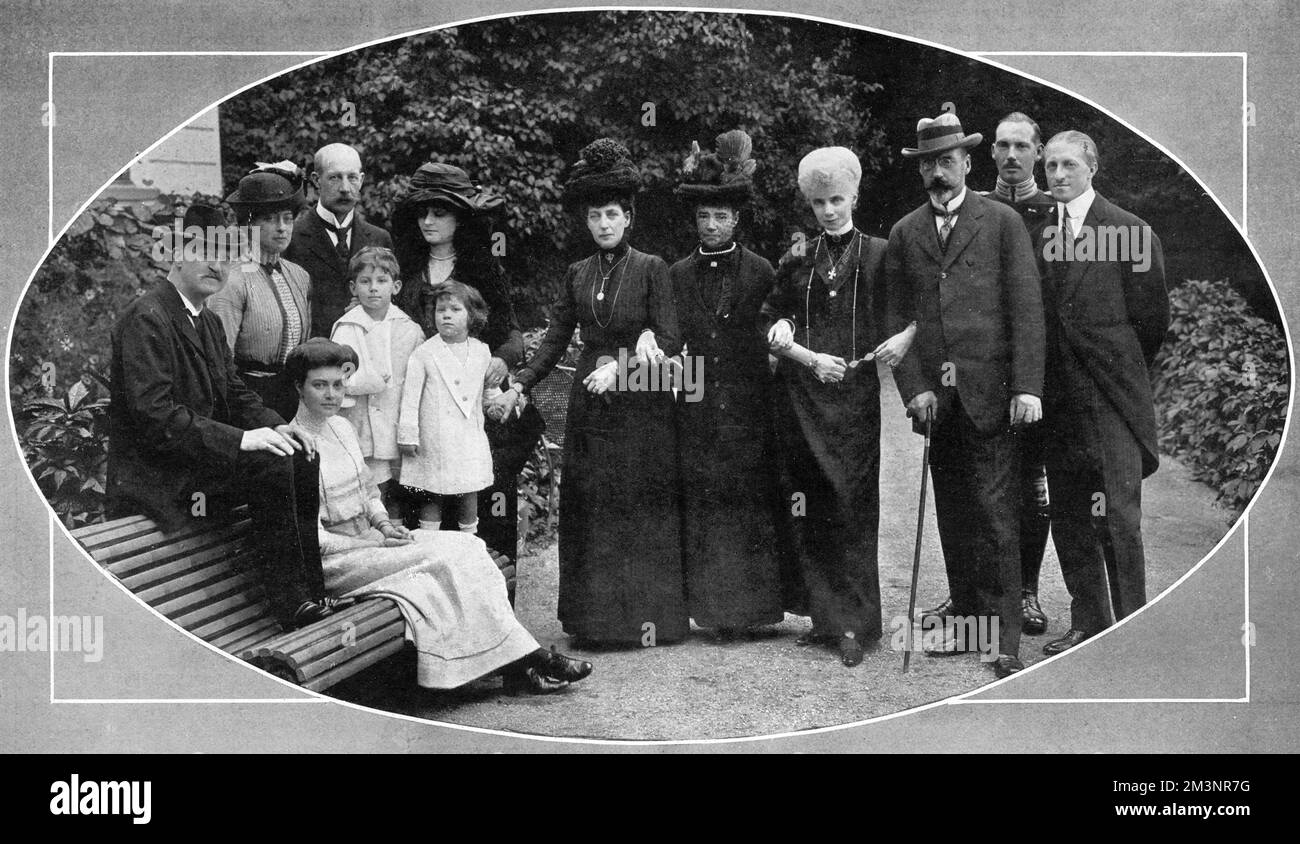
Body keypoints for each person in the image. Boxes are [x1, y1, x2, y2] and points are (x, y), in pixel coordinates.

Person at [288, 338, 592, 693]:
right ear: (298, 387)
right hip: (340, 562)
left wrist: (385, 525)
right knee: (445, 565)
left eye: (338, 384)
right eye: (319, 385)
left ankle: (521, 662)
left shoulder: (342, 428)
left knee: (470, 549)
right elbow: (311, 538)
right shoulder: (294, 446)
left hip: (374, 543)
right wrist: (368, 541)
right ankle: (529, 662)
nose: (331, 394)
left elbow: (369, 491)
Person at [107, 205, 337, 631]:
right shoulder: (148, 317)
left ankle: (311, 592)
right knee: (270, 463)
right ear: (176, 253)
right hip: (159, 475)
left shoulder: (207, 320)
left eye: (227, 256)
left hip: (196, 464)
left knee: (299, 452)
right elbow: (154, 417)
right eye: (206, 251)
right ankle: (291, 605)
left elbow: (233, 391)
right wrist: (239, 441)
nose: (218, 265)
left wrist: (276, 425)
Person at [495, 138, 688, 646]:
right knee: (592, 505)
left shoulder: (652, 268)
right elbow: (555, 339)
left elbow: (670, 339)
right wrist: (520, 383)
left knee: (636, 504)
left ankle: (647, 621)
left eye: (612, 214)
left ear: (628, 217)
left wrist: (621, 368)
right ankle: (593, 622)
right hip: (590, 402)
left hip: (641, 399)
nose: (603, 223)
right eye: (595, 216)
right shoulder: (577, 273)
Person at [889, 110, 1045, 678]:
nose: (938, 171)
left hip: (991, 397)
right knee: (954, 515)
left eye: (947, 161)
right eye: (929, 162)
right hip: (938, 405)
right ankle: (971, 623)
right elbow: (897, 320)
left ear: (967, 163)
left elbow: (1028, 310)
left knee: (998, 516)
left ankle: (1006, 641)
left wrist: (1027, 386)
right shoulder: (906, 233)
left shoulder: (1002, 222)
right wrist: (913, 389)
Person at [760, 146, 915, 667]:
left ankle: (857, 624)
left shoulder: (879, 253)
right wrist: (783, 330)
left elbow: (913, 310)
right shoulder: (798, 257)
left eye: (837, 199)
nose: (828, 210)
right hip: (803, 396)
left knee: (851, 505)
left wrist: (906, 337)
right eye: (819, 202)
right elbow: (771, 316)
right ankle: (825, 619)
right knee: (813, 503)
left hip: (853, 397)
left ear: (854, 197)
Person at [922, 112, 1058, 636]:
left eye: (1022, 146)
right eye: (1002, 145)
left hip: (1033, 369)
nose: (1011, 155)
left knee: (1029, 486)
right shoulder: (975, 208)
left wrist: (1032, 381)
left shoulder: (1054, 212)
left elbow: (1039, 302)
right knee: (974, 487)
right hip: (977, 376)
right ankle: (972, 596)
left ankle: (1023, 592)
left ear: (1038, 152)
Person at [1035, 130, 1169, 656]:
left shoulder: (1130, 232)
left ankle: (1131, 629)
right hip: (1060, 400)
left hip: (1112, 398)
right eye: (1051, 166)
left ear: (1092, 167)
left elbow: (1151, 322)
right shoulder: (1041, 232)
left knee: (1118, 517)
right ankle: (1088, 621)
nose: (1059, 175)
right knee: (1069, 515)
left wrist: (1114, 370)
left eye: (1069, 164)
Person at [390, 163, 539, 563]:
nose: (428, 221)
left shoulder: (482, 267)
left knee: (484, 499)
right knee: (425, 504)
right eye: (422, 213)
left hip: (472, 404)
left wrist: (502, 360)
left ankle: (494, 603)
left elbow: (512, 332)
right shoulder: (403, 270)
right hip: (420, 402)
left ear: (460, 218)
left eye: (439, 212)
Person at [668, 130, 784, 638]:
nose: (711, 224)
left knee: (747, 501)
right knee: (705, 503)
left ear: (736, 218)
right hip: (695, 404)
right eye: (703, 216)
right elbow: (669, 339)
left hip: (747, 404)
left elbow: (774, 326)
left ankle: (750, 611)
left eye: (720, 216)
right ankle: (710, 611)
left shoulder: (761, 271)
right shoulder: (675, 274)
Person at [208, 163, 312, 420]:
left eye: (288, 218)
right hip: (247, 399)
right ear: (248, 224)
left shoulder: (299, 275)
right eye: (270, 218)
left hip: (293, 396)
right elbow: (220, 362)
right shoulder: (232, 280)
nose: (282, 227)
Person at [329, 246, 425, 518]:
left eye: (381, 281)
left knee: (399, 485)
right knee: (372, 485)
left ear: (395, 287)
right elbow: (339, 377)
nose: (373, 289)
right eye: (365, 282)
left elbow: (417, 379)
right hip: (361, 423)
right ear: (353, 287)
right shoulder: (347, 327)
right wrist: (370, 380)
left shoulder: (409, 329)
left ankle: (397, 531)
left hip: (397, 421)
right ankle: (375, 533)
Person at [398, 281, 495, 534]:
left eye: (455, 310)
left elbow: (489, 390)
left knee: (468, 487)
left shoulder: (482, 351)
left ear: (472, 315)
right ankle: (430, 540)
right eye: (441, 310)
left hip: (468, 437)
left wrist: (498, 403)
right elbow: (410, 399)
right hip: (435, 438)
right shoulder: (424, 353)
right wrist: (408, 435)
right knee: (432, 489)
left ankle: (469, 539)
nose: (447, 315)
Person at [283, 143, 393, 340]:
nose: (344, 188)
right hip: (313, 357)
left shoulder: (380, 238)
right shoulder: (291, 238)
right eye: (334, 177)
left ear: (361, 180)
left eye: (352, 178)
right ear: (316, 180)